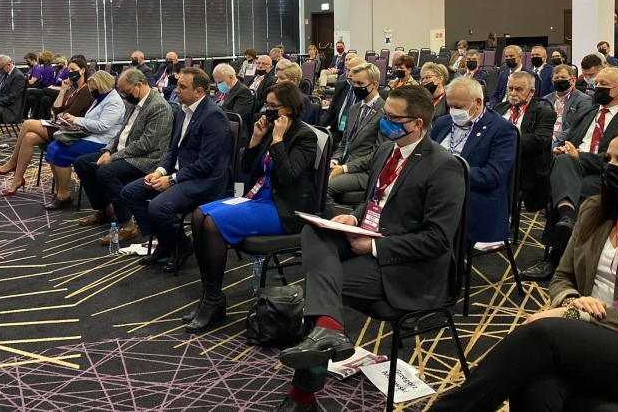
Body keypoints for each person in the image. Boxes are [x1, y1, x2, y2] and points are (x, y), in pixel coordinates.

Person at [432, 128, 618, 412]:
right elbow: (563, 276)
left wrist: (575, 314)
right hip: (586, 338)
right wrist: (569, 300)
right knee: (533, 386)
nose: (612, 167)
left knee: (542, 333)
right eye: (608, 159)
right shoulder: (593, 211)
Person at [271, 86, 465, 412]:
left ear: (417, 123)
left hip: (407, 266)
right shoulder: (386, 150)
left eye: (392, 118)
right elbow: (374, 201)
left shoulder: (443, 166)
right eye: (384, 115)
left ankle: (303, 395)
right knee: (313, 232)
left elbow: (437, 240)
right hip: (367, 237)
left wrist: (376, 246)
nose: (383, 122)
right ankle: (330, 330)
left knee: (321, 290)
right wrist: (354, 216)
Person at [187, 83, 318, 333]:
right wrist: (257, 139)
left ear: (289, 109)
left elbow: (288, 176)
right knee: (199, 214)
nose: (267, 110)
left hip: (283, 207)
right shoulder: (270, 128)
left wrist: (277, 141)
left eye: (273, 106)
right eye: (266, 104)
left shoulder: (304, 136)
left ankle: (213, 301)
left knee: (212, 223)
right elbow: (247, 168)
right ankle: (210, 296)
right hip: (258, 195)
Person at [521, 67, 618, 282]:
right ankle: (567, 222)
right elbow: (570, 141)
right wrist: (563, 148)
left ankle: (556, 255)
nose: (596, 88)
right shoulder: (587, 113)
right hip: (572, 167)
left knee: (568, 188)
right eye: (596, 83)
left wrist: (580, 157)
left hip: (607, 174)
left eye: (603, 85)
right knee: (563, 164)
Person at [122, 68, 232, 273]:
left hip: (205, 180)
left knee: (158, 207)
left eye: (182, 86)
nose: (176, 90)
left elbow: (206, 165)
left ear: (199, 92)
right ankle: (169, 241)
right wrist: (160, 172)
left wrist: (171, 180)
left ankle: (180, 245)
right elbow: (174, 150)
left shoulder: (213, 117)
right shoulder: (184, 109)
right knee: (129, 193)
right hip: (182, 173)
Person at [73, 68, 174, 245]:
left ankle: (128, 226)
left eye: (126, 92)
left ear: (139, 85)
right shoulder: (134, 103)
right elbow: (119, 132)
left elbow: (146, 145)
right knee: (82, 163)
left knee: (106, 172)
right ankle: (106, 211)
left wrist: (113, 157)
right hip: (124, 152)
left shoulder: (158, 107)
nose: (123, 96)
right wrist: (107, 150)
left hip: (146, 159)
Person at [431, 77, 515, 245]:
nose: (453, 111)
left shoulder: (501, 129)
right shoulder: (442, 122)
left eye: (458, 107)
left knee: (434, 237)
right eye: (450, 106)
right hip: (434, 193)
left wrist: (448, 174)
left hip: (472, 197)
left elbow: (492, 176)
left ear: (478, 102)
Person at [0, 56, 95, 196]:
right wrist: (62, 91)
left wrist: (62, 114)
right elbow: (57, 110)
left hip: (73, 130)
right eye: (69, 70)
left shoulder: (86, 89)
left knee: (28, 123)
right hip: (63, 125)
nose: (71, 72)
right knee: (29, 137)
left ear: (83, 70)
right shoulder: (73, 88)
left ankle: (12, 163)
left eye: (73, 70)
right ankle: (17, 179)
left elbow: (69, 114)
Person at [43, 70, 125, 210]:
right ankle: (59, 189)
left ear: (103, 85)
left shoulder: (114, 101)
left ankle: (64, 195)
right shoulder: (101, 98)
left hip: (103, 142)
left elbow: (103, 126)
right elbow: (91, 120)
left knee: (60, 152)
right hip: (92, 135)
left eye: (93, 88)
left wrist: (77, 120)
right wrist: (73, 121)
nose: (91, 91)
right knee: (53, 146)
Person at [324, 63, 384, 216]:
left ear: (374, 84)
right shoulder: (353, 109)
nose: (356, 87)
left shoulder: (384, 112)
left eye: (360, 84)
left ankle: (336, 226)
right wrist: (335, 161)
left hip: (365, 172)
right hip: (344, 163)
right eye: (354, 83)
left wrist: (344, 168)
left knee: (324, 188)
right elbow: (344, 142)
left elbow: (377, 154)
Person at [493, 72, 556, 212]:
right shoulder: (499, 108)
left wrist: (504, 141)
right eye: (510, 88)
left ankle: (504, 209)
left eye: (518, 89)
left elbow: (539, 140)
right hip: (496, 158)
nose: (512, 93)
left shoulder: (544, 112)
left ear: (531, 92)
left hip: (524, 162)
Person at [320, 55, 363, 146]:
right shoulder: (341, 86)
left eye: (352, 71)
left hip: (354, 135)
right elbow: (330, 112)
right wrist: (318, 128)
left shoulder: (364, 92)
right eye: (346, 70)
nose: (348, 74)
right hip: (337, 131)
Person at [545, 64, 593, 144]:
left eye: (563, 78)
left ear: (573, 80)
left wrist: (555, 138)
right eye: (556, 78)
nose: (559, 80)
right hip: (545, 137)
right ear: (552, 82)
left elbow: (580, 125)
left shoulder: (583, 99)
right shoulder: (546, 99)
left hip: (565, 140)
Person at [212, 63, 255, 146]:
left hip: (232, 133)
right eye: (216, 83)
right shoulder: (222, 90)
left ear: (231, 78)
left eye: (220, 82)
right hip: (216, 127)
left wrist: (215, 108)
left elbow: (236, 116)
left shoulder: (243, 92)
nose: (218, 85)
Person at [25, 54, 68, 119]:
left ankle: (33, 113)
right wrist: (53, 86)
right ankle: (42, 118)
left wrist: (55, 87)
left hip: (61, 92)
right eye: (56, 63)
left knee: (39, 91)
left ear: (63, 62)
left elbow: (67, 86)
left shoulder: (66, 71)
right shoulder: (60, 71)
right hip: (53, 89)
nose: (57, 65)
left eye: (58, 63)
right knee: (43, 99)